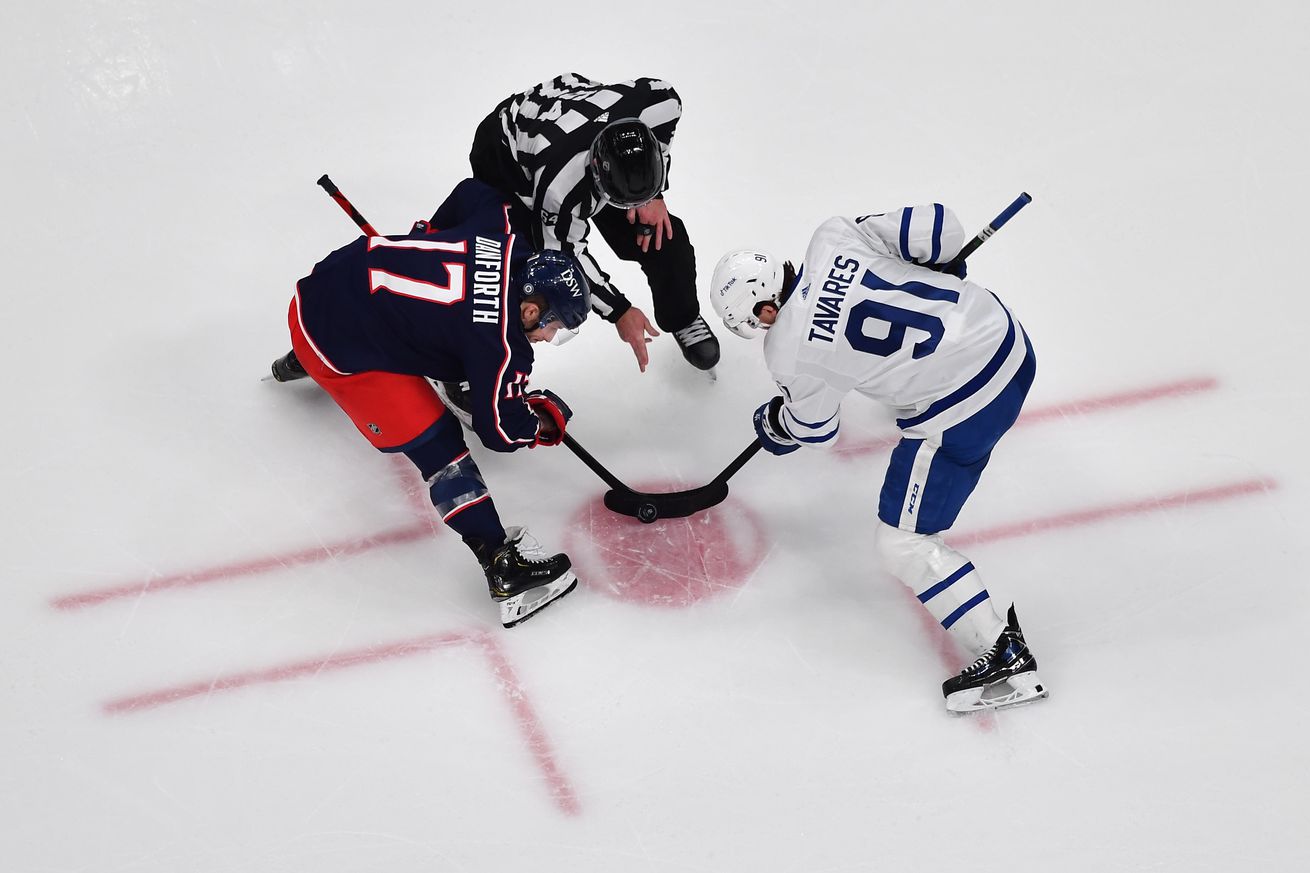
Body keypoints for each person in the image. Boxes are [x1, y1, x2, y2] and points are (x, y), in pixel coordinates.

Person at [708, 204, 1048, 712]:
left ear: (763, 310)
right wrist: (939, 263)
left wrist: (777, 422)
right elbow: (941, 227)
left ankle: (1003, 652)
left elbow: (816, 429)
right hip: (1006, 336)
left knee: (901, 543)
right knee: (891, 382)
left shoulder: (787, 349)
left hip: (969, 403)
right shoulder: (833, 236)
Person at [271, 178, 590, 628]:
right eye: (554, 326)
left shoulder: (500, 233)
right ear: (531, 309)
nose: (551, 336)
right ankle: (501, 565)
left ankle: (298, 359)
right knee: (441, 448)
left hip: (325, 283)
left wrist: (430, 235)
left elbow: (476, 191)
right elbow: (498, 430)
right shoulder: (501, 344)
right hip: (332, 343)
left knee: (399, 322)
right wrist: (537, 425)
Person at [466, 72, 720, 377]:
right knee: (531, 277)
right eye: (618, 200)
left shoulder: (660, 104)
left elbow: (668, 101)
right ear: (597, 174)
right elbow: (562, 259)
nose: (625, 210)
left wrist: (654, 195)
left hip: (576, 121)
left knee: (661, 234)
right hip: (507, 155)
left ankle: (682, 317)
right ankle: (488, 369)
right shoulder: (559, 188)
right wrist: (619, 310)